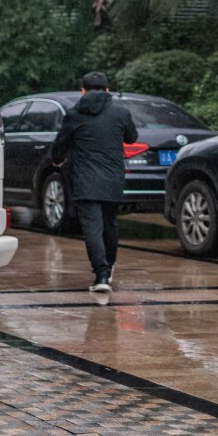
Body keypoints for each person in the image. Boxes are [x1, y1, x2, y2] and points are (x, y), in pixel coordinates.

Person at [51, 72, 138, 293]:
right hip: (112, 180)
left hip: (85, 181)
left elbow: (60, 144)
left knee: (92, 228)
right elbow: (132, 138)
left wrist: (57, 161)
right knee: (110, 225)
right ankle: (107, 270)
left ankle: (100, 275)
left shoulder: (74, 114)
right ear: (107, 90)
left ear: (83, 90)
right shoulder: (121, 113)